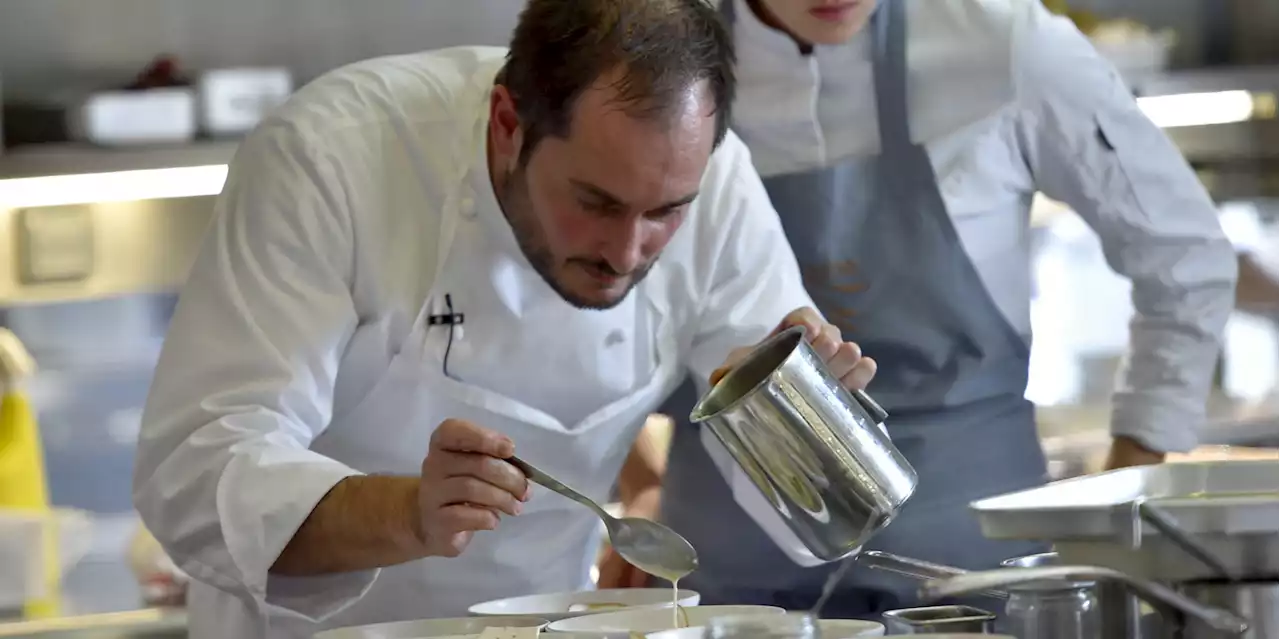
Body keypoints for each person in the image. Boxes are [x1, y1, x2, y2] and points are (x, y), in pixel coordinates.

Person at [130, 1, 880, 637]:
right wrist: (408, 514)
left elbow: (827, 507)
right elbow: (198, 470)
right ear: (505, 125)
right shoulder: (334, 158)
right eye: (595, 202)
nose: (626, 251)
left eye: (666, 213)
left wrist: (809, 417)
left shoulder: (717, 183)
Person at [597, 0, 1239, 618]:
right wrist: (635, 480)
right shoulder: (658, 57)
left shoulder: (1006, 47)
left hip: (973, 576)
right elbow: (563, 272)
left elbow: (1186, 258)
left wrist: (1117, 504)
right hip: (721, 581)